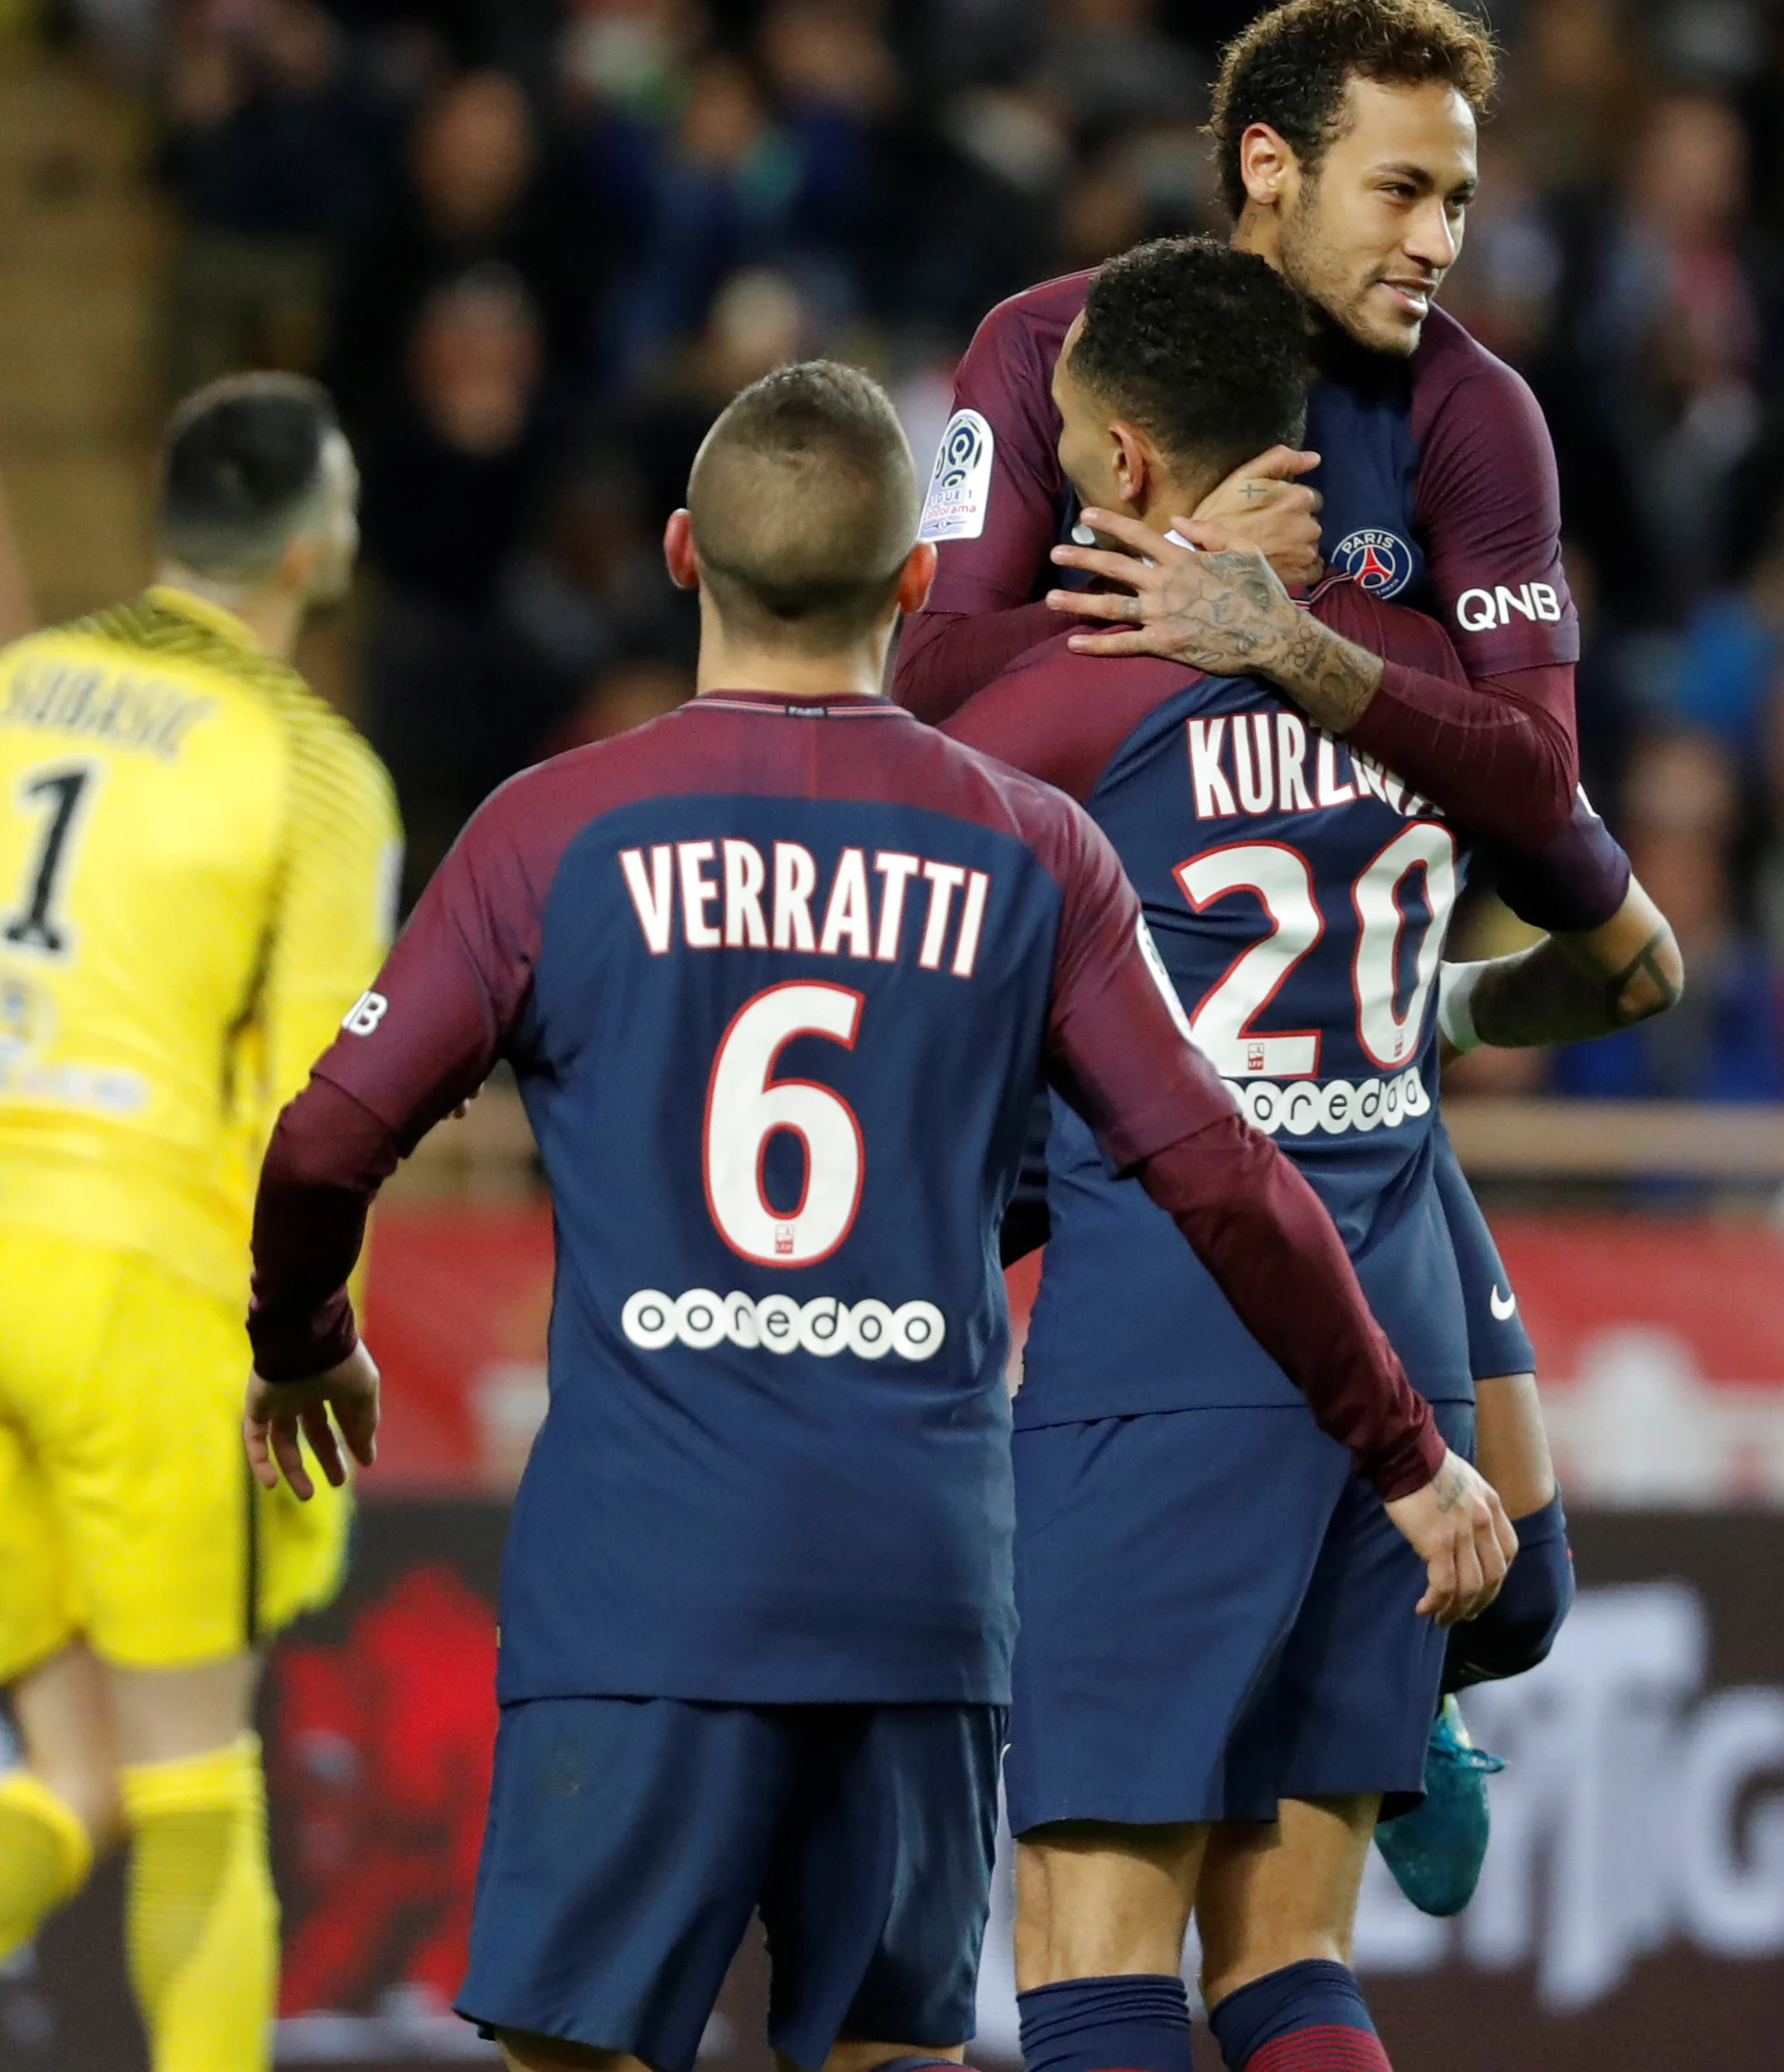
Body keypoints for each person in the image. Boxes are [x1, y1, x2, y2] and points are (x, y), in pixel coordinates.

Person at [237, 360, 1512, 2072]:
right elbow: (1220, 1176)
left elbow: (322, 1147)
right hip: (914, 1580)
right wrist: (1404, 1456)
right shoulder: (1032, 847)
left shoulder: (548, 834)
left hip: (643, 1574)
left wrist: (307, 1339)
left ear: (683, 555)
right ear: (918, 586)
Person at [895, 0, 1641, 1910]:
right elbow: (934, 694)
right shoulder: (1049, 356)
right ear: (1267, 169)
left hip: (1346, 1056)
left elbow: (1539, 771)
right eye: (1401, 190)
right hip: (1112, 1069)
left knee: (1529, 1597)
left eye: (1461, 201)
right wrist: (1165, 612)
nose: (1437, 240)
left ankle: (1411, 1706)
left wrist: (1285, 634)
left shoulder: (1475, 416)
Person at [0, 374, 400, 2072]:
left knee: (71, 1771)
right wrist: (308, 1338)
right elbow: (317, 1110)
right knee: (195, 1775)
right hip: (122, 1277)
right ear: (316, 543)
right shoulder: (312, 767)